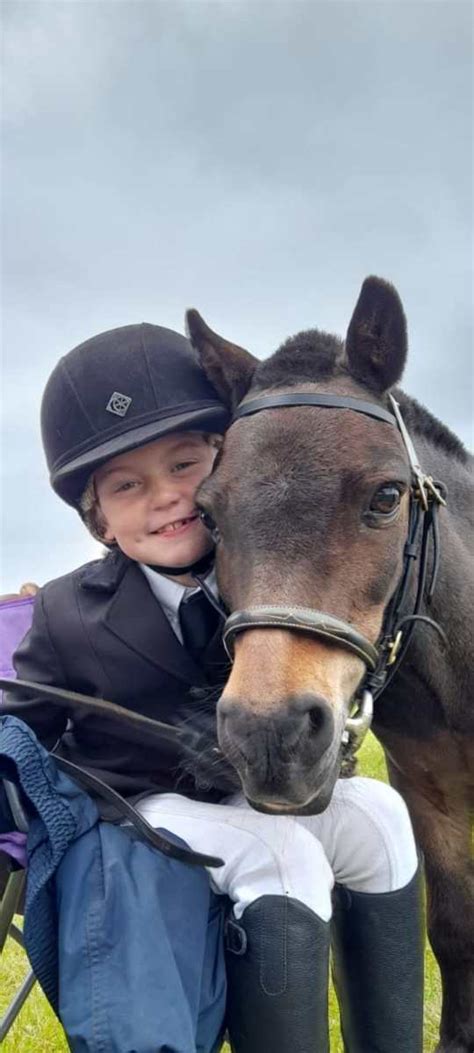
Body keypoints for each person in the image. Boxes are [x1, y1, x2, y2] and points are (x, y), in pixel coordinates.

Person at [3, 322, 424, 1053]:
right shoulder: (69, 610)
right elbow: (26, 719)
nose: (167, 498)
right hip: (145, 807)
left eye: (185, 465)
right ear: (98, 516)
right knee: (279, 855)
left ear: (228, 467)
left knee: (380, 812)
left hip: (248, 790)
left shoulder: (261, 574)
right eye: (129, 486)